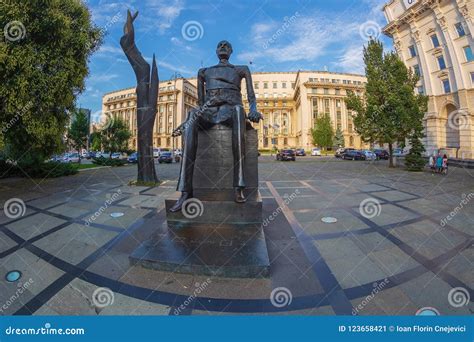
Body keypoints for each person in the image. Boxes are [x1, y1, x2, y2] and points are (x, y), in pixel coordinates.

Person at [169, 40, 262, 212]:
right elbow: (201, 102)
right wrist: (189, 121)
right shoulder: (204, 72)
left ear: (232, 50)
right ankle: (185, 191)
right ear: (216, 50)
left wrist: (254, 110)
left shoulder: (241, 69)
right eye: (220, 45)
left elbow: (251, 97)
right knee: (192, 114)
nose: (223, 47)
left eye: (227, 45)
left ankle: (238, 186)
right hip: (210, 111)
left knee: (238, 110)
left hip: (231, 109)